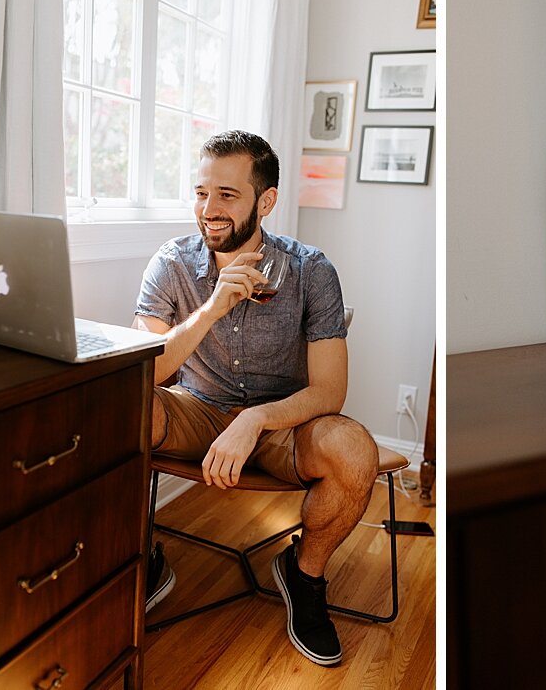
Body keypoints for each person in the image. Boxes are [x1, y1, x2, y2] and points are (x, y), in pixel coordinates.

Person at [133, 130, 379, 667]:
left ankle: (304, 575)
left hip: (281, 423)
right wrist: (211, 310)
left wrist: (257, 419)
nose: (209, 209)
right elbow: (142, 371)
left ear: (265, 202)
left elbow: (331, 390)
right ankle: (142, 558)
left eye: (227, 194)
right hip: (195, 409)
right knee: (116, 412)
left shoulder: (312, 271)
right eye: (201, 193)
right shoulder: (171, 263)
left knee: (355, 448)